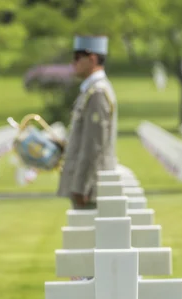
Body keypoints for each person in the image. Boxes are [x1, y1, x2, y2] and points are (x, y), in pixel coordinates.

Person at [57, 35, 117, 210]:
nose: (73, 63)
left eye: (77, 58)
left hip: (89, 188)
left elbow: (94, 145)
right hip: (86, 185)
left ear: (92, 59)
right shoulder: (90, 90)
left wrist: (81, 186)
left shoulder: (97, 93)